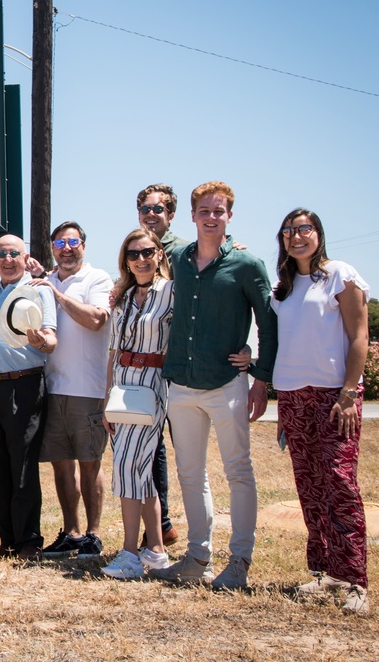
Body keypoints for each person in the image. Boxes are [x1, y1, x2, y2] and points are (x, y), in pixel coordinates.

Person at [153, 181, 277, 591]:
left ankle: (239, 560)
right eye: (204, 211)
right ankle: (198, 558)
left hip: (227, 383)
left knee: (238, 471)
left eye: (218, 211)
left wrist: (259, 374)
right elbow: (140, 247)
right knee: (190, 474)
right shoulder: (179, 258)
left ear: (229, 216)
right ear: (192, 216)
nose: (211, 217)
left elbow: (268, 321)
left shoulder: (247, 264)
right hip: (182, 385)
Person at [271, 209, 370, 614]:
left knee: (340, 482)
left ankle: (355, 581)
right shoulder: (284, 287)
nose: (296, 237)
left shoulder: (339, 274)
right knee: (309, 485)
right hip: (293, 395)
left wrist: (349, 392)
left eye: (304, 229)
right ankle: (325, 572)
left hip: (335, 396)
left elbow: (359, 334)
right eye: (289, 231)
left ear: (318, 234)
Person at [0, 234, 57, 560]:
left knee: (21, 463)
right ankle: (6, 540)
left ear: (25, 258)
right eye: (1, 254)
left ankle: (29, 541)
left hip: (24, 385)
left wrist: (42, 342)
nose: (8, 259)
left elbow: (50, 339)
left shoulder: (38, 291)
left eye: (14, 253)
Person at [99, 229, 173, 579]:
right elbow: (113, 351)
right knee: (138, 470)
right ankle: (155, 549)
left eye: (147, 252)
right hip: (123, 387)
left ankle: (129, 552)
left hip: (154, 384)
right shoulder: (124, 297)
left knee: (128, 467)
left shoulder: (173, 293)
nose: (140, 259)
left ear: (159, 254)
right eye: (133, 254)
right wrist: (106, 397)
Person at [39, 221, 113, 559]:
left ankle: (94, 535)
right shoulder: (45, 280)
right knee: (60, 464)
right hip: (52, 388)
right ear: (52, 247)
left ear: (84, 244)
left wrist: (57, 295)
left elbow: (97, 319)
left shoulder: (97, 279)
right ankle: (71, 531)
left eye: (73, 241)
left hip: (88, 389)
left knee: (89, 464)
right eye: (60, 242)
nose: (66, 248)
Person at [133, 184, 185, 545]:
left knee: (182, 450)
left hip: (180, 365)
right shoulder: (136, 248)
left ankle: (175, 528)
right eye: (145, 208)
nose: (152, 214)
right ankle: (161, 523)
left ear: (171, 214)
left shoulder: (185, 251)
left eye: (159, 208)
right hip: (146, 368)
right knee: (153, 448)